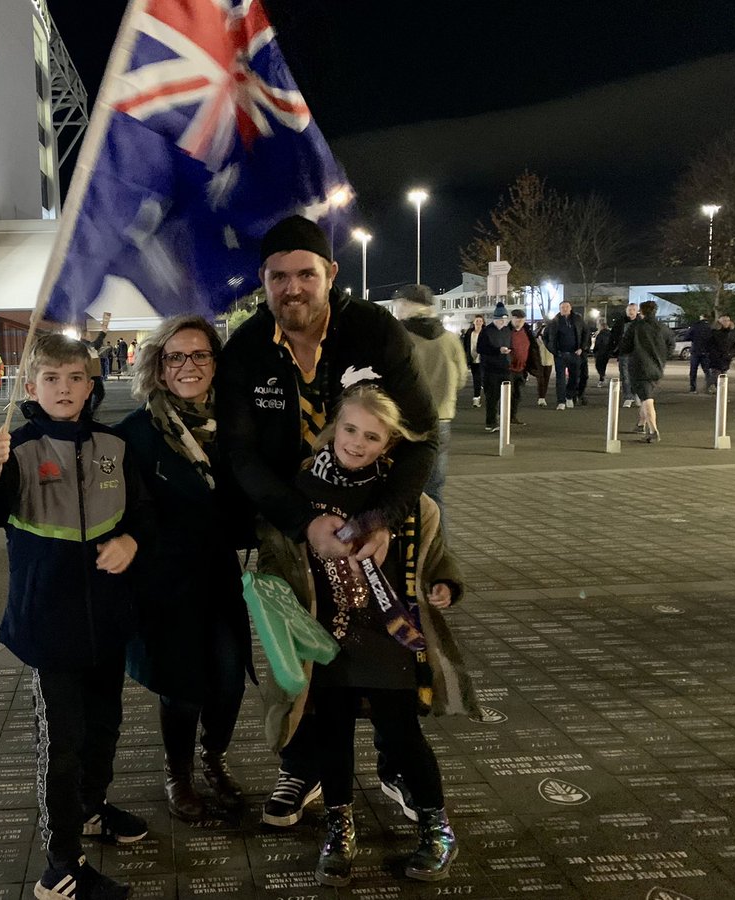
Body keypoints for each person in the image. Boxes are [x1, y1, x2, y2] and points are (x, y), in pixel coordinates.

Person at [215, 214, 438, 832]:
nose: (293, 289)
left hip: (378, 527)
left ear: (330, 275)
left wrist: (384, 515)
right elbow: (240, 455)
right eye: (278, 276)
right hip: (289, 527)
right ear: (262, 281)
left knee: (389, 650)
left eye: (305, 275)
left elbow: (423, 438)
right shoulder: (246, 348)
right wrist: (300, 521)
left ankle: (396, 762)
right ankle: (301, 762)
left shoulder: (375, 331)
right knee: (298, 654)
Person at [0, 333, 152, 900]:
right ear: (31, 385)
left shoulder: (114, 444)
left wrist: (133, 542)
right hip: (48, 625)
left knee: (105, 728)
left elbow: (143, 512)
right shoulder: (14, 446)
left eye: (75, 378)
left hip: (108, 621)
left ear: (91, 386)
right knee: (62, 743)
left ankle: (92, 810)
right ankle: (61, 865)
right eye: (52, 379)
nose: (64, 388)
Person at [286, 385, 475, 886]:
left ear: (388, 444)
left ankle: (437, 826)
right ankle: (339, 825)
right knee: (332, 735)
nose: (356, 442)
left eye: (372, 436)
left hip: (390, 637)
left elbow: (435, 547)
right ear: (333, 428)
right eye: (349, 429)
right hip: (326, 639)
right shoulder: (302, 489)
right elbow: (275, 548)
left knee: (402, 734)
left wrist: (445, 583)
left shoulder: (401, 495)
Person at [116, 315, 253, 823]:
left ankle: (213, 757)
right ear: (159, 366)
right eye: (176, 356)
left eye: (200, 355)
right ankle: (179, 773)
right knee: (182, 683)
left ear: (216, 363)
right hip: (163, 581)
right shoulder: (136, 433)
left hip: (218, 576)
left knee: (229, 678)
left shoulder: (236, 427)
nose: (189, 365)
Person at [393, 285, 466, 523]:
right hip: (441, 420)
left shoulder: (400, 337)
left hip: (405, 422)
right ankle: (438, 550)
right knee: (435, 492)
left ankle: (407, 551)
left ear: (407, 306)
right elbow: (462, 379)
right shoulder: (450, 340)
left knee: (401, 491)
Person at [618, 300, 674, 442]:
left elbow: (625, 346)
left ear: (641, 312)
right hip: (657, 367)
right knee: (645, 396)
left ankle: (653, 431)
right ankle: (641, 424)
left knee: (647, 399)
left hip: (640, 367)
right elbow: (671, 346)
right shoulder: (663, 328)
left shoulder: (636, 327)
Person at [543, 300, 588, 410]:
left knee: (574, 377)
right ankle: (561, 401)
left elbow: (585, 333)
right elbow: (546, 336)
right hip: (560, 354)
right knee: (560, 379)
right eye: (562, 307)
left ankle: (569, 396)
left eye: (567, 307)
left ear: (571, 308)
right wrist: (553, 350)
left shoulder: (578, 319)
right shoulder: (554, 321)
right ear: (559, 309)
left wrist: (582, 348)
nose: (565, 309)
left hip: (575, 354)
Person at [476, 303, 512, 433]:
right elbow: (480, 348)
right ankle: (490, 422)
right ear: (495, 319)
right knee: (492, 397)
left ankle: (504, 419)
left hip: (505, 367)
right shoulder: (486, 331)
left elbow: (511, 344)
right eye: (501, 319)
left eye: (505, 319)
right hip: (490, 369)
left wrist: (508, 352)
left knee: (507, 396)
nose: (503, 322)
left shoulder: (507, 330)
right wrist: (497, 350)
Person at [611, 303, 639, 407]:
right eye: (629, 309)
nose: (631, 311)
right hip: (624, 353)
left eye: (633, 309)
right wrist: (614, 350)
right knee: (625, 376)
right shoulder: (620, 323)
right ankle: (628, 397)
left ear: (637, 311)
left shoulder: (641, 323)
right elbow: (613, 336)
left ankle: (636, 394)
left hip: (637, 353)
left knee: (636, 376)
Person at [507, 310, 532, 426]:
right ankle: (504, 417)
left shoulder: (526, 332)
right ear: (512, 319)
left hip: (521, 369)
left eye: (521, 319)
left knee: (518, 394)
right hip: (509, 369)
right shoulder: (507, 332)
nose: (519, 321)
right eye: (517, 319)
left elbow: (532, 348)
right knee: (508, 394)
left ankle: (513, 416)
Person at [706, 314, 735, 394]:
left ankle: (721, 391)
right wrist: (715, 355)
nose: (726, 322)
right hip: (716, 358)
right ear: (719, 322)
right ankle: (716, 390)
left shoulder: (731, 332)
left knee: (723, 375)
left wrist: (731, 354)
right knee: (716, 375)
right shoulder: (714, 332)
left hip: (726, 358)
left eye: (727, 320)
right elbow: (710, 345)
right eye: (724, 321)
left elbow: (733, 344)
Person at [460, 315, 484, 408]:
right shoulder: (469, 333)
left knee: (482, 378)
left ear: (483, 322)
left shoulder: (485, 332)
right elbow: (465, 345)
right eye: (477, 321)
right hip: (473, 359)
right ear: (474, 322)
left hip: (483, 359)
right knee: (476, 379)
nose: (478, 322)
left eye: (480, 321)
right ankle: (476, 398)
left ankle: (480, 394)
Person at [686, 314, 713, 393]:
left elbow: (687, 336)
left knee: (693, 371)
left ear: (701, 317)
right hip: (706, 351)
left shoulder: (695, 326)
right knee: (707, 371)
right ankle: (708, 387)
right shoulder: (710, 327)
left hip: (695, 351)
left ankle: (693, 388)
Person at [533, 322, 554, 407]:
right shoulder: (537, 338)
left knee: (546, 379)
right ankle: (541, 397)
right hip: (539, 360)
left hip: (548, 360)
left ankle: (542, 397)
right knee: (541, 379)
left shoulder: (551, 339)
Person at [591, 317, 613, 386]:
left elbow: (599, 343)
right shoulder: (607, 332)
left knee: (599, 366)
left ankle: (602, 378)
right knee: (602, 366)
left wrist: (594, 350)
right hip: (605, 352)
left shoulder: (602, 333)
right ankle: (602, 378)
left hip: (601, 352)